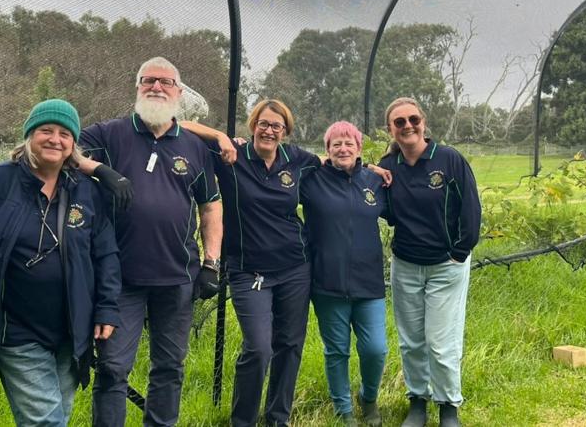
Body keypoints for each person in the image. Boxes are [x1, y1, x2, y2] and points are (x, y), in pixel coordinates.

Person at [183, 100, 390, 427]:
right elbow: (177, 125)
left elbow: (334, 164)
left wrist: (372, 170)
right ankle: (243, 420)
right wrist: (220, 137)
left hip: (295, 268)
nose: (269, 130)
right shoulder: (232, 157)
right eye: (263, 124)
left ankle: (278, 418)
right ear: (253, 126)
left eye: (277, 126)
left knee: (290, 345)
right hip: (248, 269)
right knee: (259, 348)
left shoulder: (297, 160)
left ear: (285, 132)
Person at [0, 99, 122, 426]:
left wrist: (107, 307)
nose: (55, 139)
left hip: (71, 328)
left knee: (58, 415)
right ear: (29, 136)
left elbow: (105, 254)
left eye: (65, 133)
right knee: (46, 422)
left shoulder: (86, 193)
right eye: (45, 130)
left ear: (73, 144)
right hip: (16, 329)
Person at [79, 56, 223, 427]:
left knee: (170, 369)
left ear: (178, 91)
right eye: (149, 80)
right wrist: (102, 170)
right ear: (137, 87)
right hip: (119, 279)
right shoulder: (108, 134)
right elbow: (64, 148)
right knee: (112, 369)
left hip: (178, 277)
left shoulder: (193, 147)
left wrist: (211, 263)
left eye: (166, 82)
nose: (156, 87)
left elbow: (210, 207)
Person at [378, 97, 480, 427]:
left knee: (441, 341)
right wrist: (369, 172)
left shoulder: (448, 159)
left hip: (445, 265)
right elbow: (384, 209)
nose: (407, 126)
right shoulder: (389, 165)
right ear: (390, 129)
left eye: (413, 119)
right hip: (405, 263)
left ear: (423, 122)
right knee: (411, 341)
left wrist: (459, 253)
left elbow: (470, 209)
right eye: (399, 122)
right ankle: (417, 401)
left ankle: (448, 405)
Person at [300, 121, 387, 427]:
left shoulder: (374, 182)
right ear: (327, 150)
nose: (343, 148)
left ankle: (369, 398)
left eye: (349, 143)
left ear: (359, 148)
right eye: (336, 144)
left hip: (370, 283)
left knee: (376, 349)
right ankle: (344, 410)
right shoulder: (311, 181)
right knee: (337, 351)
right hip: (327, 283)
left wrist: (379, 170)